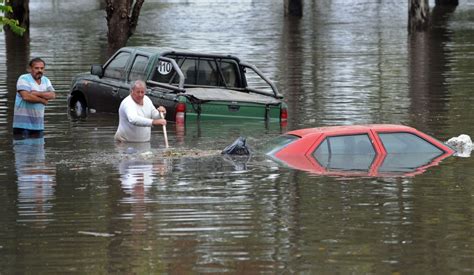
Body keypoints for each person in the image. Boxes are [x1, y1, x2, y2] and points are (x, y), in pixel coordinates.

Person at [13, 57, 56, 139]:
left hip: (38, 126)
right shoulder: (23, 78)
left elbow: (52, 95)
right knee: (23, 150)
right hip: (22, 126)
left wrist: (36, 93)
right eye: (36, 68)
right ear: (29, 69)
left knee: (38, 151)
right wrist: (42, 100)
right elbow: (26, 96)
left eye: (42, 68)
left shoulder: (46, 80)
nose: (39, 70)